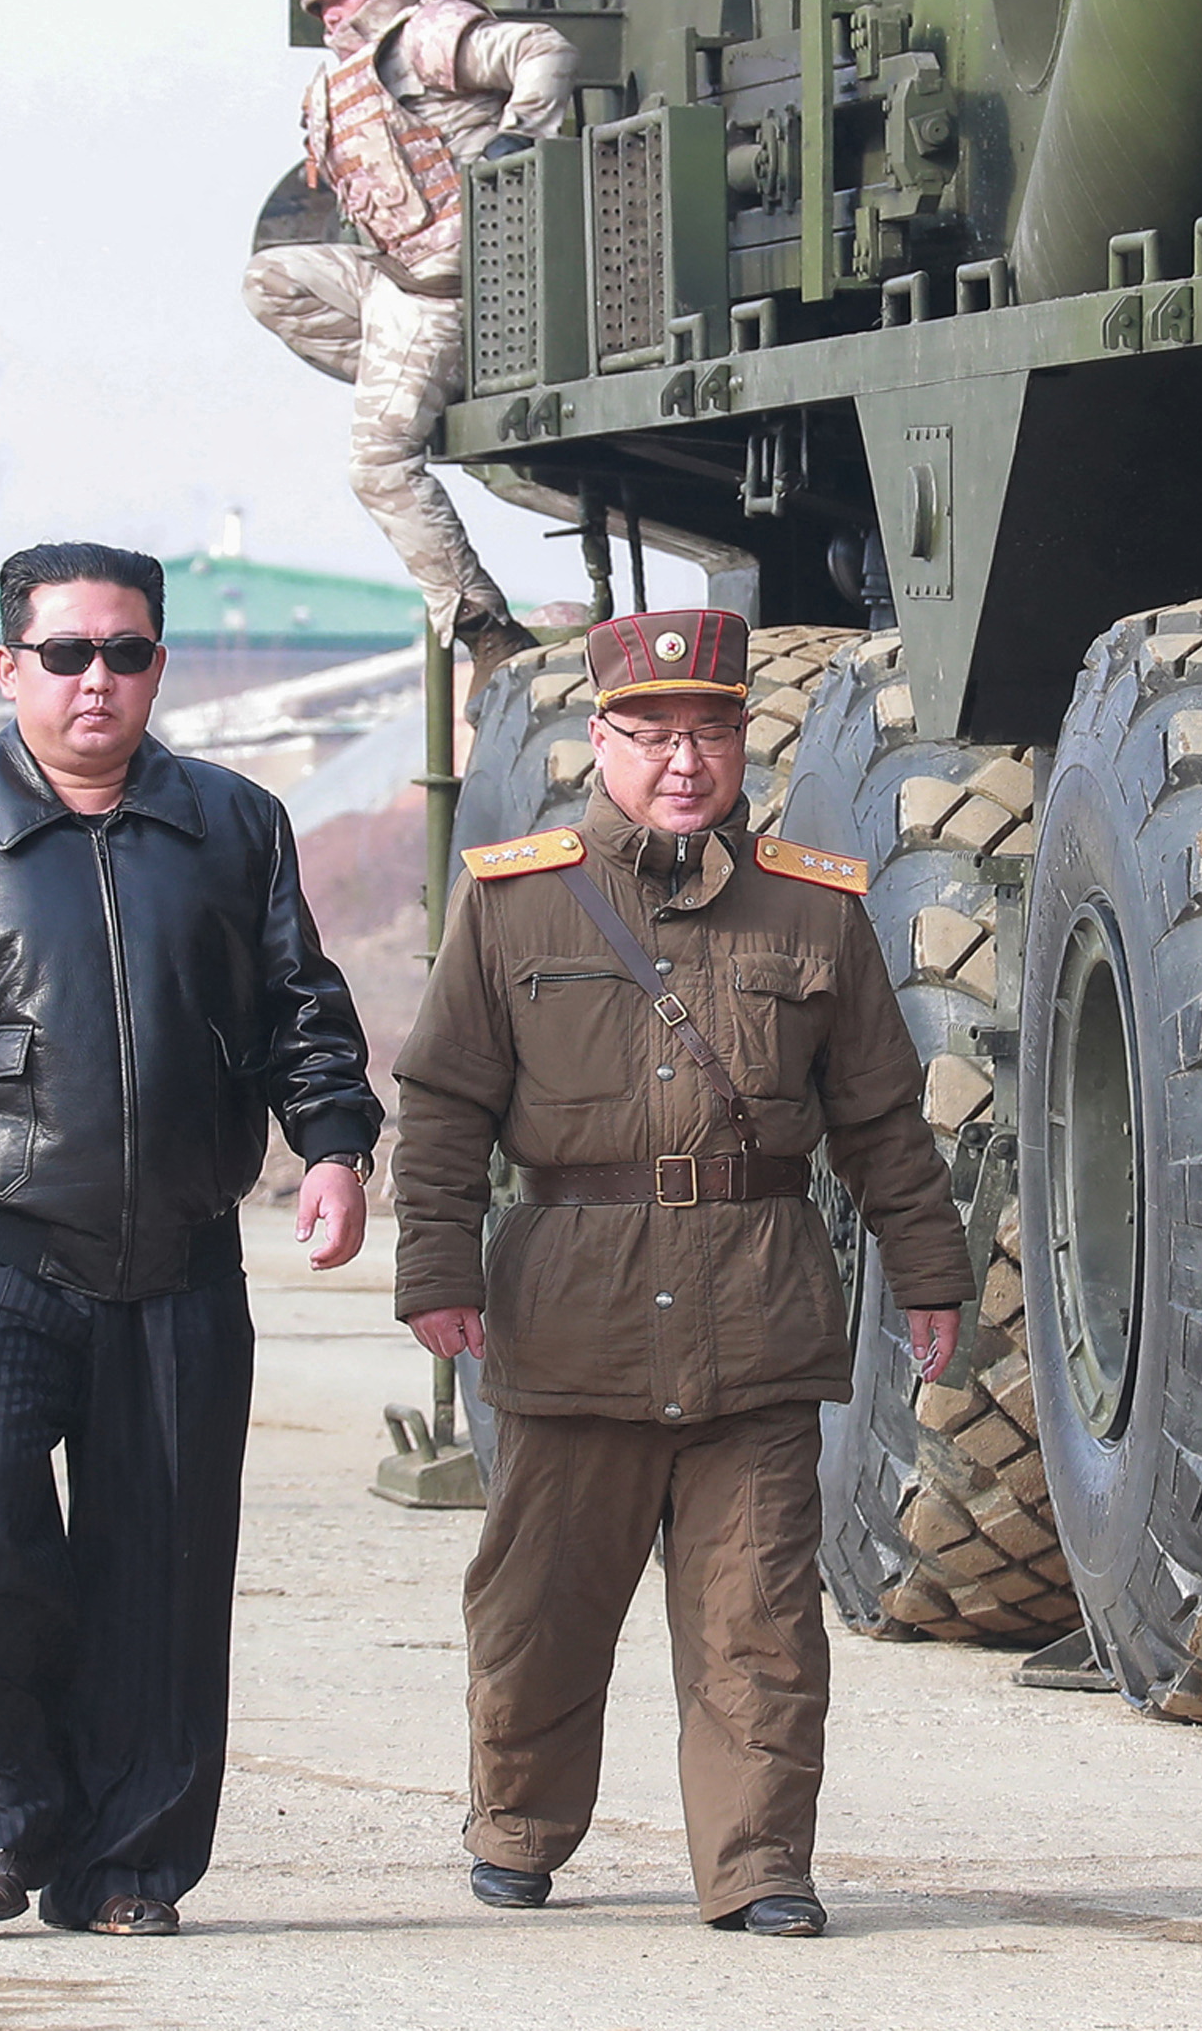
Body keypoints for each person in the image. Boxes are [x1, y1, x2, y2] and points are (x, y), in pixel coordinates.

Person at [0, 540, 380, 1939]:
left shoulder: (234, 825)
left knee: (164, 1564)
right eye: (64, 654)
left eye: (124, 652)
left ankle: (126, 1866)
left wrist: (335, 1147)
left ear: (158, 665)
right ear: (9, 668)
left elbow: (302, 1010)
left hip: (180, 1259)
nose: (94, 679)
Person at [390, 606, 966, 1936]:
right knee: (539, 1607)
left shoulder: (814, 909)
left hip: (754, 1311)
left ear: (742, 741)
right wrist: (436, 1267)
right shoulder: (514, 900)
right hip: (571, 1314)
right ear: (600, 742)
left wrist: (928, 1269)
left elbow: (882, 1118)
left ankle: (758, 1865)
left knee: (758, 1621)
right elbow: (443, 1105)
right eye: (651, 734)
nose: (683, 760)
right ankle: (519, 1824)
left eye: (708, 732)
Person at [245, 0, 573, 684]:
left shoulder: (427, 36)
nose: (330, 15)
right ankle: (420, 382)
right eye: (319, 3)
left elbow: (543, 49)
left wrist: (519, 137)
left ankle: (483, 628)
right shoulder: (337, 84)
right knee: (270, 281)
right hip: (398, 278)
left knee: (379, 463)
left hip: (454, 289)